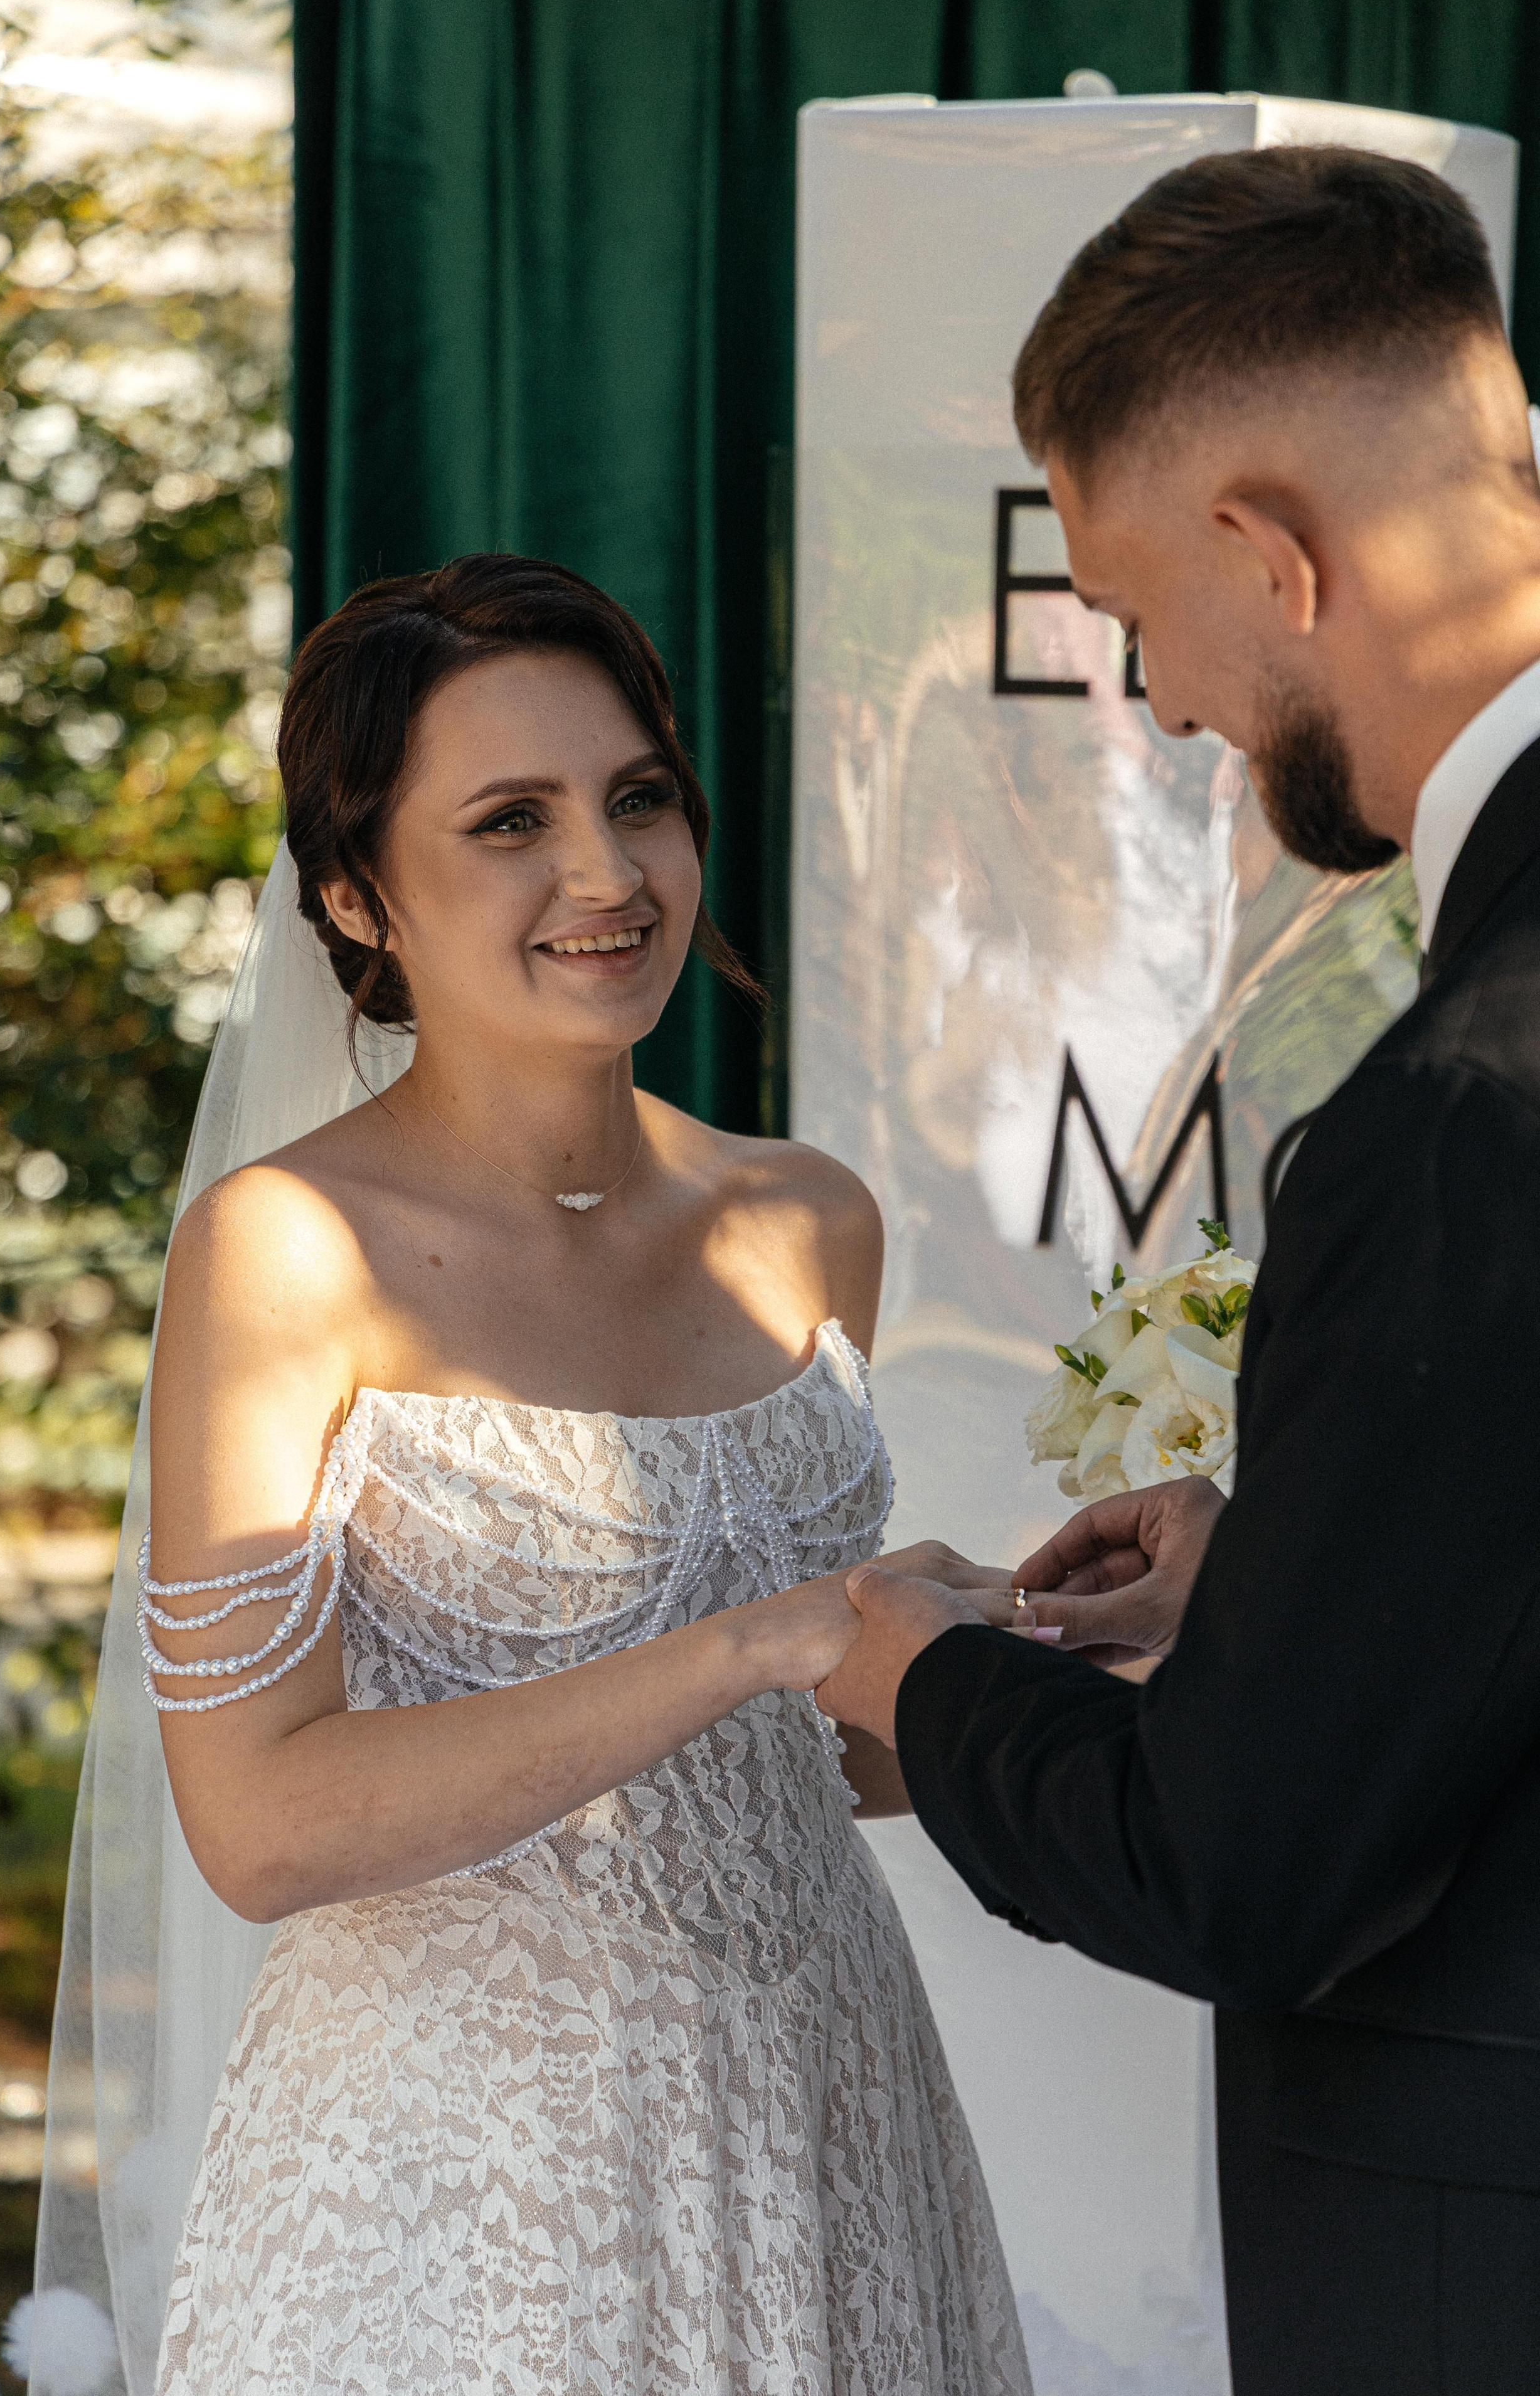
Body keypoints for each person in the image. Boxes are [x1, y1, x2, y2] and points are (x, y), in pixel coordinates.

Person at [129, 553, 1026, 2393]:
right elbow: (262, 1824)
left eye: (636, 800)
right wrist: (742, 1644)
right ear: (360, 896)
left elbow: (802, 1763)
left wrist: (984, 1643)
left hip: (825, 2119)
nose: (607, 877)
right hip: (469, 2188)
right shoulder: (288, 1249)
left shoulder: (807, 1217)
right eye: (511, 823)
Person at [816, 146, 1540, 2396]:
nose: (1157, 701)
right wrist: (1308, 1578)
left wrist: (913, 1670)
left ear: (1272, 554)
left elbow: (1241, 1868)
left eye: (1136, 613)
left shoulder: (1471, 1101)